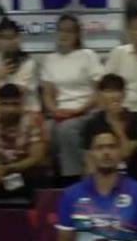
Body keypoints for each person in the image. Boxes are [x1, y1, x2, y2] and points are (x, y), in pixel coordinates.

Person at [55, 122, 137, 241]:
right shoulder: (71, 195)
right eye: (99, 148)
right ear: (90, 154)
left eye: (112, 147)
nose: (106, 152)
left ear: (120, 153)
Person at [42, 14, 102, 179]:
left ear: (77, 35)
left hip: (86, 111)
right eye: (61, 30)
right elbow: (47, 94)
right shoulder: (49, 59)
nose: (64, 35)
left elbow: (98, 92)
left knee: (67, 129)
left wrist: (79, 110)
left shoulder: (88, 56)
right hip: (60, 112)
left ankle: (73, 177)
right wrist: (55, 111)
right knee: (46, 129)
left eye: (69, 31)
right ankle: (52, 175)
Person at [0, 19, 41, 113]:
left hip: (25, 111)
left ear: (19, 38)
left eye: (13, 37)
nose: (9, 42)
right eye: (5, 38)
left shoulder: (29, 63)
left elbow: (15, 96)